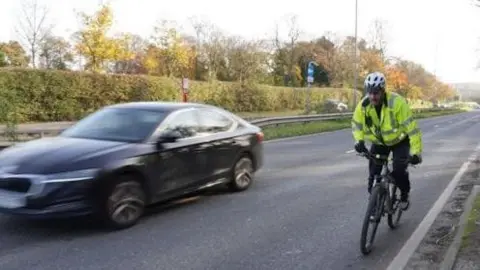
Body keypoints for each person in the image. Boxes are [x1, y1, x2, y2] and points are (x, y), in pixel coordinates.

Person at [351, 71, 423, 211]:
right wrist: (359, 141)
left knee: (399, 170)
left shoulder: (397, 103)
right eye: (370, 92)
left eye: (376, 92)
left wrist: (415, 153)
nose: (373, 96)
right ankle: (374, 204)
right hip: (379, 143)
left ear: (383, 91)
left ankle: (404, 194)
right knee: (373, 174)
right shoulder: (364, 106)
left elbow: (413, 130)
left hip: (399, 141)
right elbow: (356, 124)